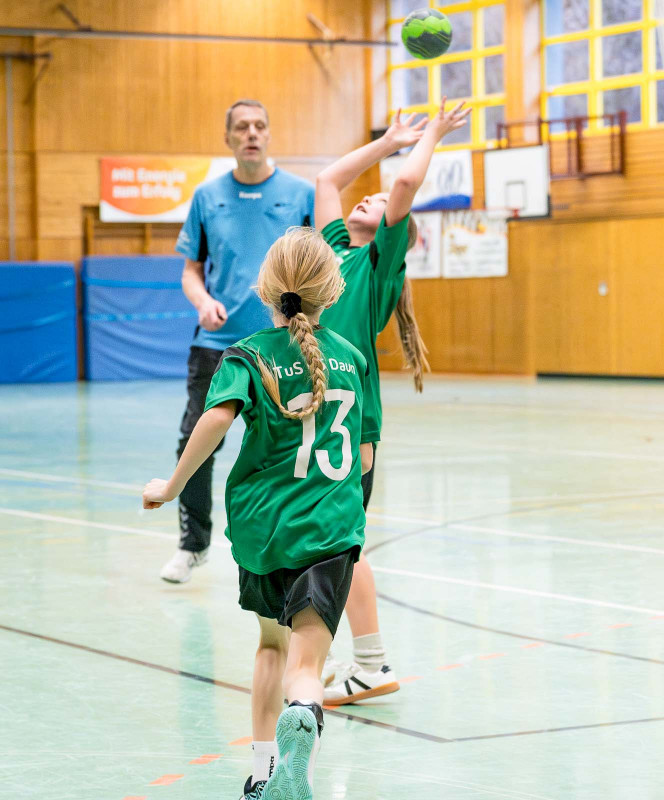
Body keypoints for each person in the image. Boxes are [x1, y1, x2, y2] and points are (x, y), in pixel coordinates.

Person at [142, 228, 368, 800]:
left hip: (264, 530)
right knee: (306, 666)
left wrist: (172, 487)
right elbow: (363, 456)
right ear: (333, 290)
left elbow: (216, 419)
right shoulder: (352, 359)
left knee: (271, 645)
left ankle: (263, 772)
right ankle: (304, 719)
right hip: (330, 530)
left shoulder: (246, 354)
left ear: (265, 290)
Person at [313, 99, 469, 705]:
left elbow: (405, 184)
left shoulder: (378, 265)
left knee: (341, 545)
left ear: (395, 232)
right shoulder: (332, 251)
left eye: (377, 202)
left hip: (351, 425)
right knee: (317, 542)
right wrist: (384, 143)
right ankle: (326, 658)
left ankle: (372, 663)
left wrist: (431, 134)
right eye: (369, 195)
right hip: (309, 415)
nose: (369, 197)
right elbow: (327, 181)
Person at [162, 99, 316, 584]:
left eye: (259, 126)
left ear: (269, 134)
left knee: (287, 444)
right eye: (242, 127)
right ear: (228, 138)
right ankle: (193, 544)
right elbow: (190, 271)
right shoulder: (207, 197)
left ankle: (291, 541)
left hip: (283, 344)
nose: (251, 133)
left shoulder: (301, 194)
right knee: (195, 439)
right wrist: (202, 300)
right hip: (218, 344)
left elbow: (320, 263)